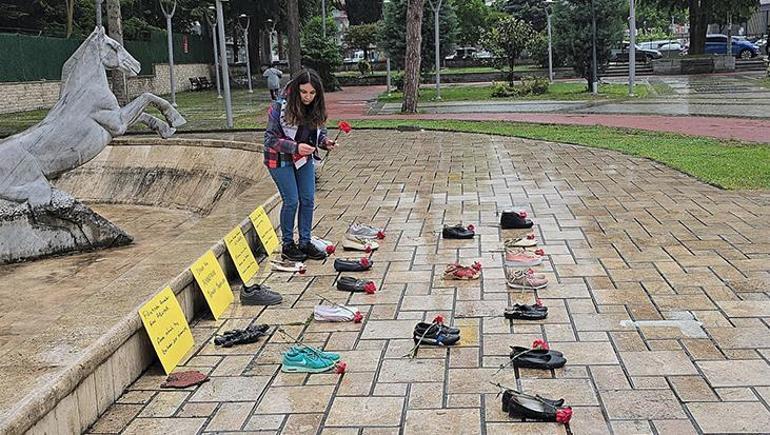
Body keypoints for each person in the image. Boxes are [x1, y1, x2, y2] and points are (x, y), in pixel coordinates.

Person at [263, 69, 338, 262]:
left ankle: (305, 241)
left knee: (308, 199)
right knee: (292, 200)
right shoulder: (279, 107)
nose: (308, 97)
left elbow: (319, 133)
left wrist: (325, 142)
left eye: (312, 93)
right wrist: (295, 146)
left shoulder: (317, 107)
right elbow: (270, 139)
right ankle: (288, 245)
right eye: (304, 92)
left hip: (304, 157)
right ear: (297, 90)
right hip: (279, 158)